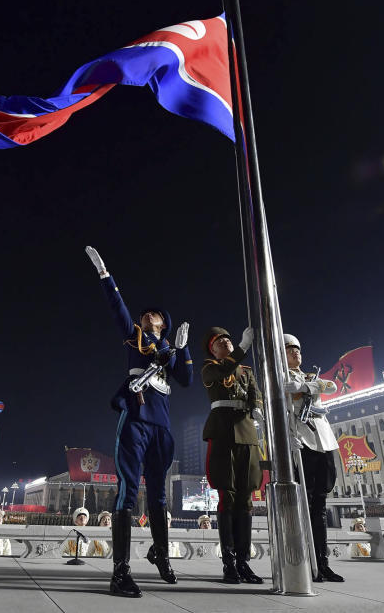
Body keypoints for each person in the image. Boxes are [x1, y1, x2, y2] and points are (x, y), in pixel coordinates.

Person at [85, 246, 193, 597]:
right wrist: (106, 277)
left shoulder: (168, 350)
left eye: (154, 315)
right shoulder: (136, 339)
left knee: (159, 495)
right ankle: (120, 573)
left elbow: (187, 380)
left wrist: (182, 349)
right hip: (136, 420)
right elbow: (119, 311)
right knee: (128, 493)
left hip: (161, 427)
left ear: (164, 323)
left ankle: (160, 554)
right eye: (145, 314)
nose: (147, 316)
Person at [200, 326, 264, 584]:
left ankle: (243, 563)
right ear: (212, 350)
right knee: (228, 496)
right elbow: (226, 368)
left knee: (246, 497)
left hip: (247, 433)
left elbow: (255, 393)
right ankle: (229, 564)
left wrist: (257, 408)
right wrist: (242, 347)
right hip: (223, 431)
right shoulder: (209, 369)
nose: (225, 342)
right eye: (219, 341)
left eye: (227, 339)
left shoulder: (246, 372)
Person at [285, 333, 343, 582]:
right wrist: (287, 438)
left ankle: (323, 562)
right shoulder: (281, 378)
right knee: (305, 505)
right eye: (290, 350)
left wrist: (306, 387)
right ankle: (307, 561)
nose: (296, 353)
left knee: (320, 504)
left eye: (297, 349)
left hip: (324, 441)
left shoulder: (310, 377)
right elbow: (280, 410)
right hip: (302, 441)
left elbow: (332, 386)